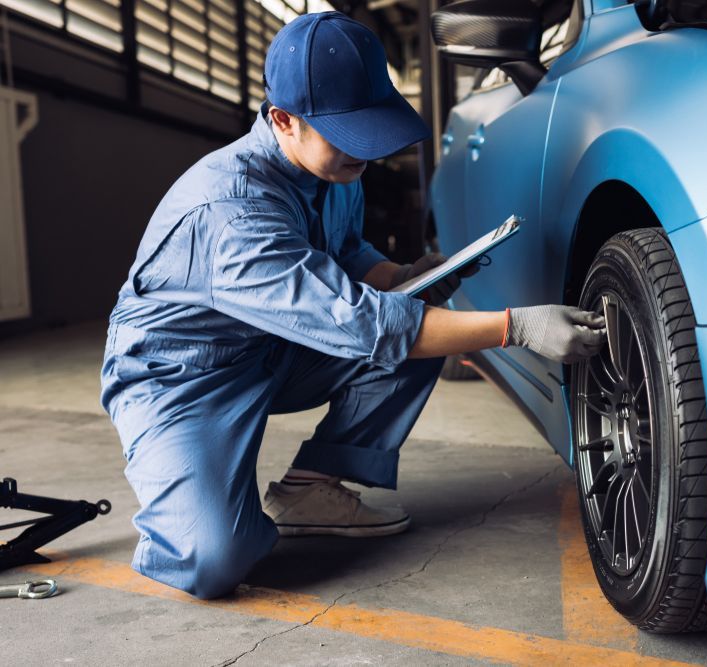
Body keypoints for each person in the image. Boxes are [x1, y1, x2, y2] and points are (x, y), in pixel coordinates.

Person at [100, 11, 606, 600]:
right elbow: (359, 321)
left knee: (416, 313)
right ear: (282, 121)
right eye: (347, 132)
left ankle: (308, 489)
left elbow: (347, 251)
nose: (365, 149)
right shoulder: (230, 213)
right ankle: (186, 509)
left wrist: (407, 276)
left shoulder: (336, 165)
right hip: (182, 376)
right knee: (213, 560)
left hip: (277, 347)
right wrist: (516, 326)